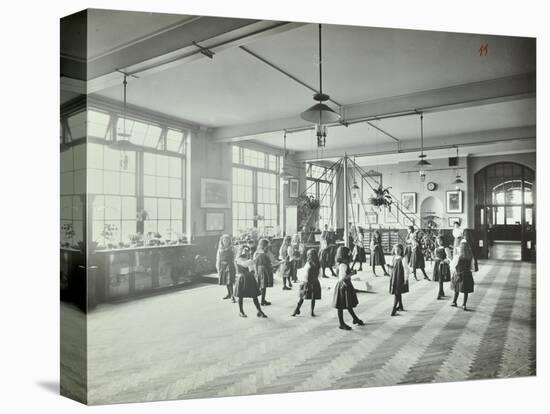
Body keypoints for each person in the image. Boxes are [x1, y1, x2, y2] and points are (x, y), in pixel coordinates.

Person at [332, 246, 364, 330]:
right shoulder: (343, 265)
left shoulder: (342, 264)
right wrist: (352, 273)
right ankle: (341, 323)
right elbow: (343, 278)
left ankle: (355, 319)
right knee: (341, 306)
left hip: (345, 285)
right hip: (343, 286)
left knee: (348, 304)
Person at [234, 244, 267, 318]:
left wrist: (253, 272)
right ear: (242, 251)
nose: (247, 252)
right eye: (245, 251)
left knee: (254, 295)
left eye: (248, 251)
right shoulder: (239, 259)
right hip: (242, 278)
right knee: (240, 296)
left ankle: (259, 311)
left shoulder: (247, 258)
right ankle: (241, 311)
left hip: (250, 277)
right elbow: (245, 264)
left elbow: (251, 268)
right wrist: (256, 258)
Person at [292, 249, 322, 317]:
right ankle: (311, 312)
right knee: (313, 298)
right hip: (314, 282)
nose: (308, 256)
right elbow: (319, 274)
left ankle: (296, 310)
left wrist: (303, 280)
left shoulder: (308, 263)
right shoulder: (317, 263)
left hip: (307, 282)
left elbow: (305, 273)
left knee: (302, 297)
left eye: (309, 255)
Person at [450, 240, 476, 310]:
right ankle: (464, 304)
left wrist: (454, 271)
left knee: (457, 289)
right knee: (466, 291)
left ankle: (454, 302)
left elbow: (452, 266)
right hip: (467, 275)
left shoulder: (457, 257)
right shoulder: (470, 257)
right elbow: (472, 267)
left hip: (459, 274)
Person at [389, 244, 410, 316]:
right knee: (397, 292)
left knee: (397, 293)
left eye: (399, 250)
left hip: (400, 277)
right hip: (394, 276)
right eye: (395, 250)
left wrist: (406, 279)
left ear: (401, 251)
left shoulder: (403, 258)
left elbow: (406, 269)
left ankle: (394, 309)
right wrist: (390, 267)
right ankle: (400, 306)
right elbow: (394, 267)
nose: (397, 251)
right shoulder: (394, 257)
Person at [254, 238, 274, 306]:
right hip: (262, 269)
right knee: (262, 286)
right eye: (266, 245)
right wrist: (256, 272)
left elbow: (272, 260)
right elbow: (255, 263)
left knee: (263, 286)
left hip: (266, 269)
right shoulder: (258, 252)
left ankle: (263, 300)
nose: (267, 247)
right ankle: (262, 301)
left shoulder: (267, 252)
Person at [216, 234, 236, 302]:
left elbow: (235, 258)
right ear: (222, 241)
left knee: (229, 281)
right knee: (225, 281)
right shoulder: (220, 249)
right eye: (224, 240)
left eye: (227, 240)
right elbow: (218, 259)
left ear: (229, 241)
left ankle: (232, 296)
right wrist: (218, 268)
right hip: (222, 266)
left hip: (230, 266)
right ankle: (229, 294)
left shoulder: (232, 248)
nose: (225, 242)